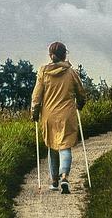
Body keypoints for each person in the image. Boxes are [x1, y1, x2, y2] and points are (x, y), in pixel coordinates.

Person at [30, 41, 86, 194]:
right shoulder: (71, 72)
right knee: (65, 146)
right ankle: (65, 177)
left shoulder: (43, 72)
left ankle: (54, 181)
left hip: (49, 115)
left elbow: (37, 95)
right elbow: (81, 92)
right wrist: (80, 104)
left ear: (50, 55)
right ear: (65, 54)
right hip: (67, 114)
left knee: (52, 145)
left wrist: (34, 112)